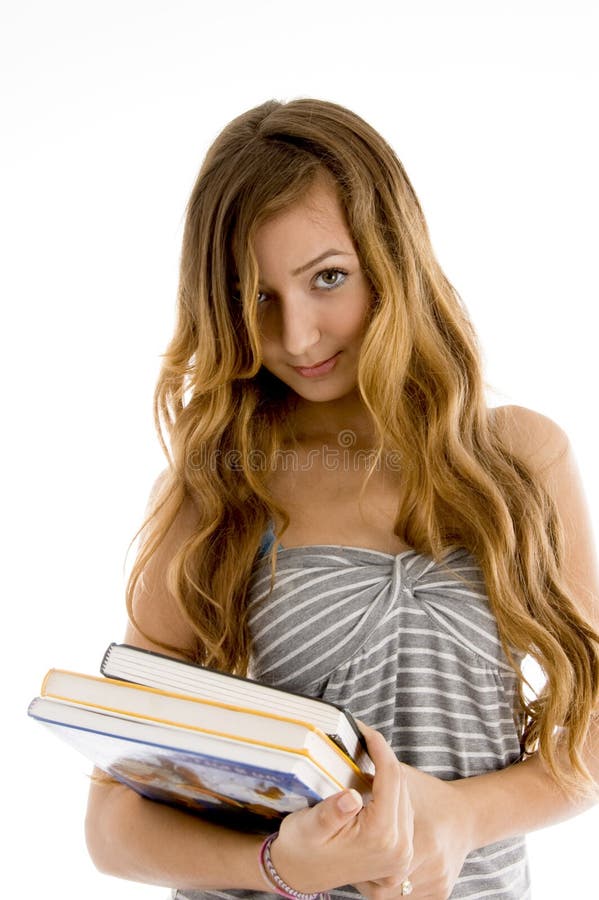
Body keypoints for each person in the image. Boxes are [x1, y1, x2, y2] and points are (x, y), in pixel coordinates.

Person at [84, 97, 599, 900]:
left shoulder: (518, 461)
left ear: (392, 258)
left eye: (329, 278)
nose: (298, 337)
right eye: (257, 297)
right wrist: (278, 866)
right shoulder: (217, 488)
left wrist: (463, 816)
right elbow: (111, 823)